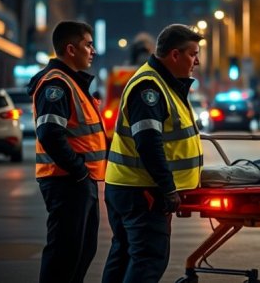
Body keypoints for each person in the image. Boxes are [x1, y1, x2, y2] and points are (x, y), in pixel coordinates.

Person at [102, 24, 204, 282]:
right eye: (193, 54)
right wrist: (168, 187)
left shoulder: (162, 83)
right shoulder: (150, 87)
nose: (198, 61)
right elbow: (148, 142)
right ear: (174, 55)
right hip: (142, 191)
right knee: (148, 260)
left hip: (131, 187)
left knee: (125, 256)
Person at [28, 21, 107, 283]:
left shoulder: (72, 82)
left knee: (82, 250)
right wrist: (79, 170)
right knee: (65, 254)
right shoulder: (57, 84)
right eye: (88, 44)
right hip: (67, 181)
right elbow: (50, 133)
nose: (93, 50)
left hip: (80, 181)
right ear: (71, 49)